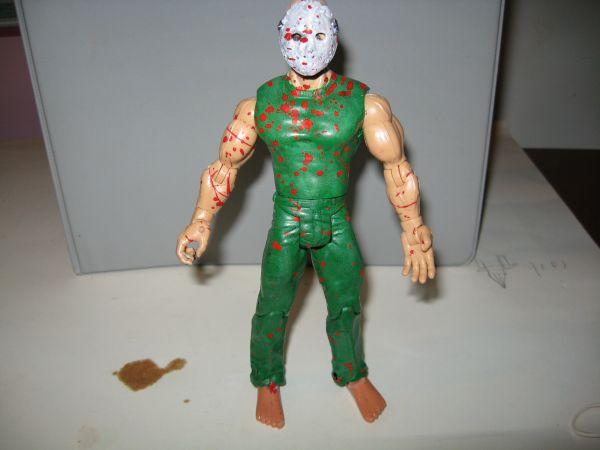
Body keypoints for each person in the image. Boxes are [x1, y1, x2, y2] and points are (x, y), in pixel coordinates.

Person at [176, 0, 436, 429]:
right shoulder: (259, 105)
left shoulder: (364, 104)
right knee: (272, 304)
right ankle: (267, 379)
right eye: (298, 35)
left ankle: (352, 373)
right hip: (287, 220)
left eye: (318, 35)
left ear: (334, 39)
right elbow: (225, 166)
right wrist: (201, 219)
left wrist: (413, 226)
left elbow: (397, 167)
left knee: (347, 302)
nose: (307, 46)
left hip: (335, 220)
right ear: (281, 36)